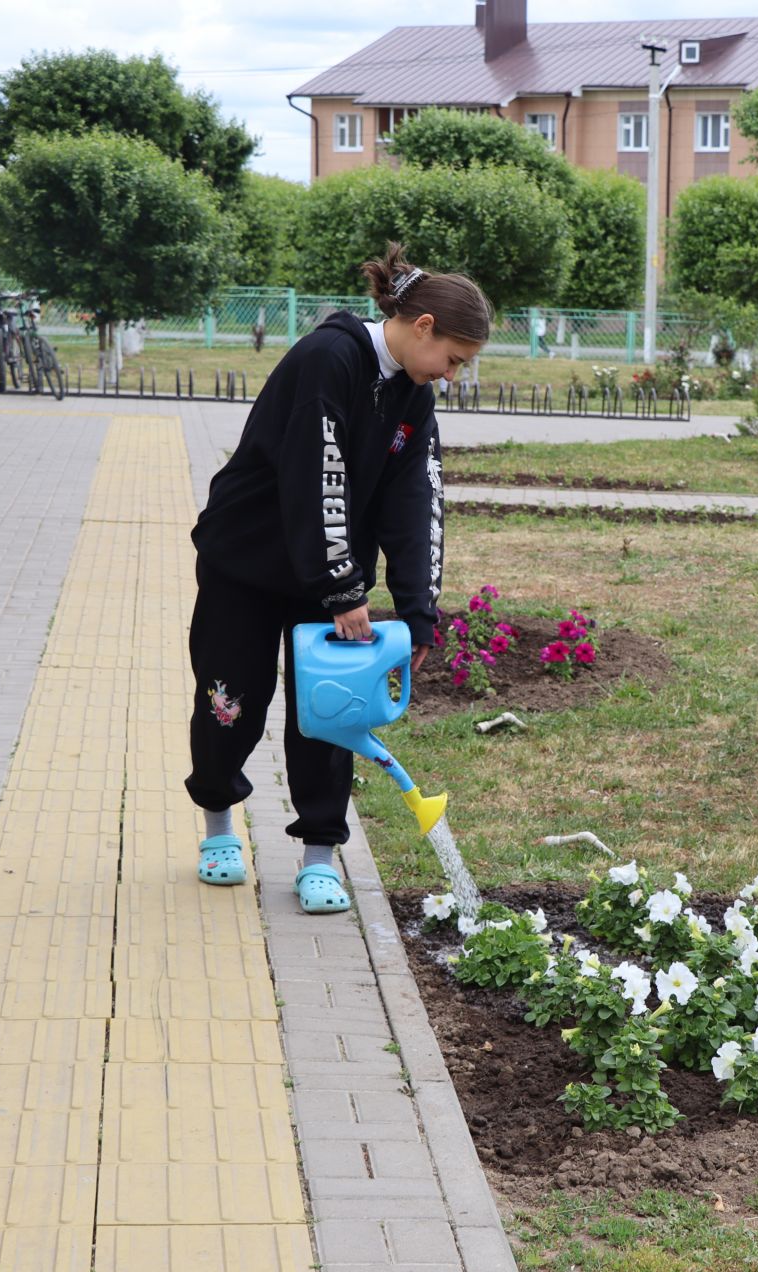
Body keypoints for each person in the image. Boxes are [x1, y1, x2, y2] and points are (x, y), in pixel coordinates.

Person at [185, 243, 491, 914]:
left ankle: (319, 855)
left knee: (329, 713)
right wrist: (345, 590)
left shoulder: (413, 396)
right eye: (453, 360)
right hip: (248, 563)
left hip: (322, 576)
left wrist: (417, 611)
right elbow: (311, 478)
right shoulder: (330, 359)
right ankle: (218, 828)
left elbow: (416, 506)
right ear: (424, 328)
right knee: (229, 699)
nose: (451, 375)